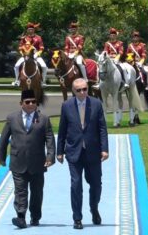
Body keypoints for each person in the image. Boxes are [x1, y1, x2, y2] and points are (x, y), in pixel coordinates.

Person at [0, 89, 55, 229]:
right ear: (21, 103)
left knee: (37, 192)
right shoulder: (12, 118)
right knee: (20, 191)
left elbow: (49, 138)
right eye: (27, 102)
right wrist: (1, 156)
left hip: (38, 162)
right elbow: (4, 139)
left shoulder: (44, 119)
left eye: (33, 102)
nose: (31, 104)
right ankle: (21, 217)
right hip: (18, 161)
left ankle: (35, 217)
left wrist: (50, 156)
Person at [57, 78, 109, 229]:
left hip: (93, 152)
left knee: (96, 184)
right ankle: (77, 218)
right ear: (73, 91)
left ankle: (94, 208)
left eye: (85, 89)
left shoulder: (96, 104)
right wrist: (59, 151)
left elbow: (102, 129)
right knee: (76, 185)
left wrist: (105, 149)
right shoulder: (66, 106)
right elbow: (62, 129)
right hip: (74, 152)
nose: (82, 92)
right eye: (79, 90)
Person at [13, 22, 47, 87]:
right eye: (29, 29)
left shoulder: (38, 38)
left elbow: (41, 48)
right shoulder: (24, 38)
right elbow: (20, 47)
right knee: (16, 66)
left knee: (44, 66)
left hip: (35, 55)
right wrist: (22, 54)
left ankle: (43, 81)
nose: (30, 30)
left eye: (31, 29)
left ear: (34, 30)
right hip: (25, 55)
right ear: (27, 30)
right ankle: (17, 80)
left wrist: (37, 54)